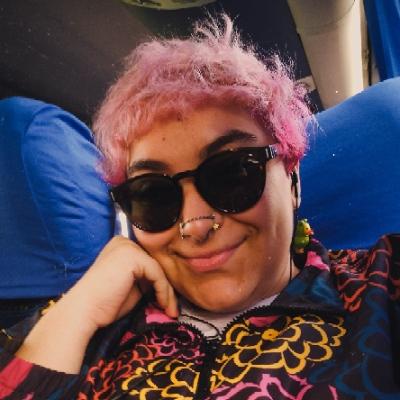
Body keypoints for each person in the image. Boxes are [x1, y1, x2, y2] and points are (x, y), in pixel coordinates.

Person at [0, 14, 399, 400]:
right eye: (154, 194)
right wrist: (80, 310)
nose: (195, 225)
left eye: (231, 174)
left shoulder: (379, 290)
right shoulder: (86, 328)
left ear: (293, 179)